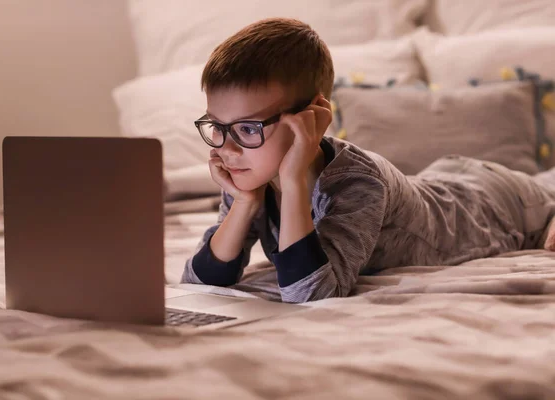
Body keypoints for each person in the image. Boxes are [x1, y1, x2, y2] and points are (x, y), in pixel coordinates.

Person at [180, 17, 555, 303]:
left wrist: (293, 180)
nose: (226, 148)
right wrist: (244, 203)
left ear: (312, 118)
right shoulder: (250, 173)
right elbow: (199, 283)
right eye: (217, 126)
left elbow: (310, 293)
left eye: (247, 128)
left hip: (491, 203)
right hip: (437, 182)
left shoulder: (358, 182)